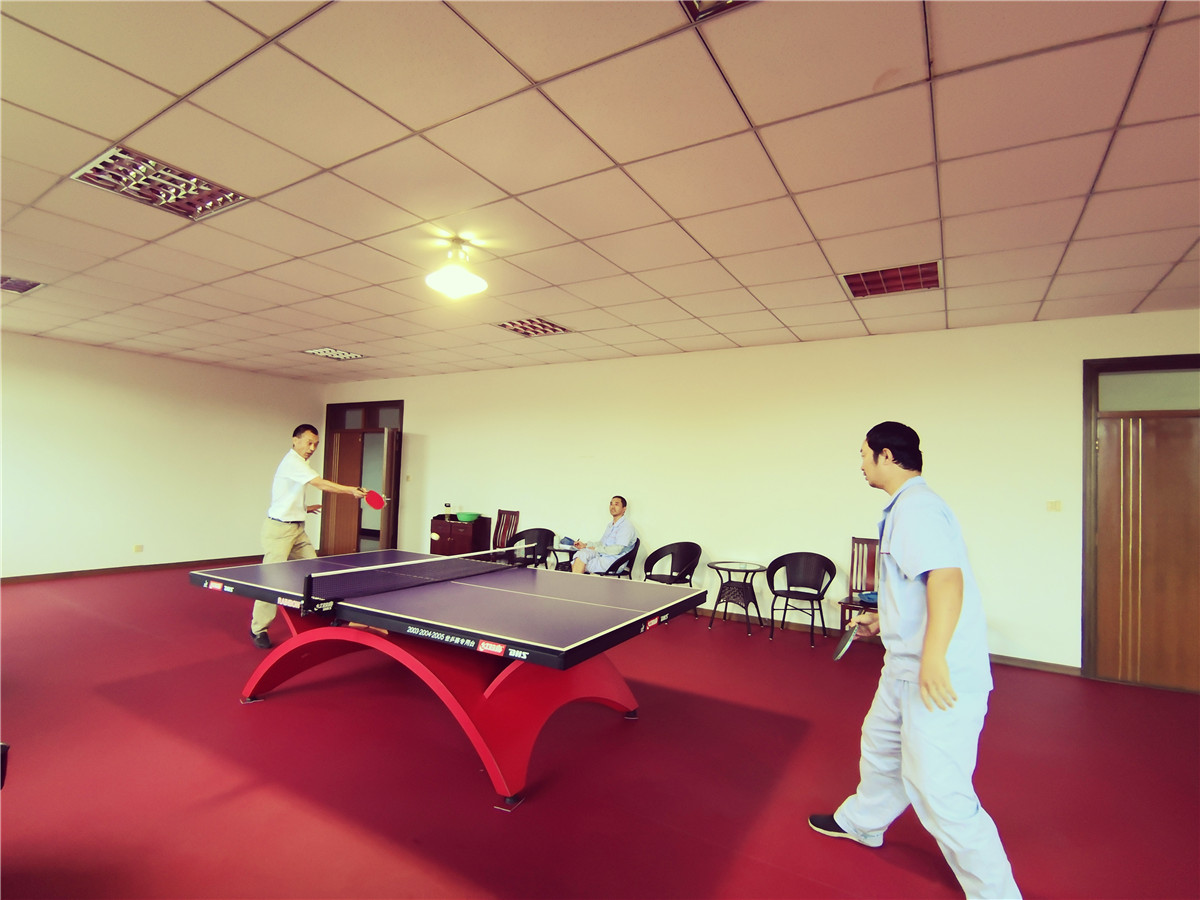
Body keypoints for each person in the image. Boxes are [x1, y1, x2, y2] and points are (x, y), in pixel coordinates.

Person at [809, 422, 1020, 900]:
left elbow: (946, 579)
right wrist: (884, 620)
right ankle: (863, 822)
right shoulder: (906, 507)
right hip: (904, 665)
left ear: (886, 455)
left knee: (938, 789)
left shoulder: (917, 508)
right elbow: (916, 585)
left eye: (863, 454)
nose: (860, 464)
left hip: (936, 673)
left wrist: (935, 658)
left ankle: (997, 893)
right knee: (881, 746)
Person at [251, 424, 366, 649]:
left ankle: (320, 614)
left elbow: (286, 495)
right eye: (308, 443)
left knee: (314, 573)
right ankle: (259, 629)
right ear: (295, 440)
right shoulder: (292, 462)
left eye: (316, 444)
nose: (312, 448)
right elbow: (320, 483)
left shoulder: (301, 463)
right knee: (271, 580)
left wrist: (304, 508)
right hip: (279, 531)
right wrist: (350, 490)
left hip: (297, 529)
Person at [570, 495, 637, 575]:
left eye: (616, 504)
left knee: (581, 564)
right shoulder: (610, 525)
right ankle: (577, 582)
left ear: (624, 508)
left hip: (614, 560)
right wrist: (585, 545)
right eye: (611, 504)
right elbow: (602, 543)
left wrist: (596, 549)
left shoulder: (626, 526)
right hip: (602, 554)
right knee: (580, 555)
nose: (612, 507)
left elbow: (617, 550)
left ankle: (575, 583)